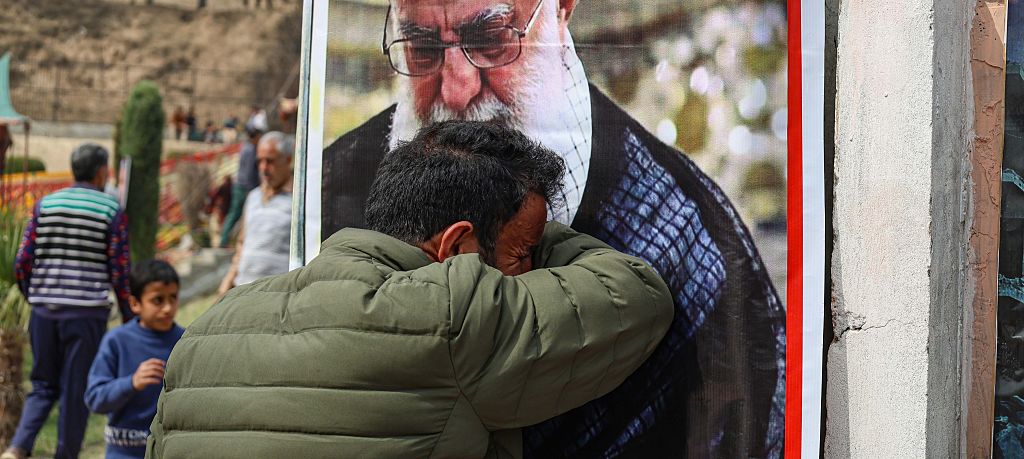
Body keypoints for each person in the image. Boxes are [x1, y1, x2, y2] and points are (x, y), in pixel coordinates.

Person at [321, 0, 786, 457]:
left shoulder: (693, 252)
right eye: (422, 47)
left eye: (489, 38)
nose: (455, 86)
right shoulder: (331, 188)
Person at [147, 121, 673, 457]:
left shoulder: (204, 333)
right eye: (523, 253)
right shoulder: (452, 314)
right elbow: (637, 292)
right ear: (456, 247)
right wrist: (532, 225)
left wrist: (507, 222)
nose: (529, 270)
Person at [3, 144, 131, 459]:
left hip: (44, 312)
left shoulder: (46, 204)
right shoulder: (110, 209)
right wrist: (130, 316)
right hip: (85, 315)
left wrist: (35, 295)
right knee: (75, 392)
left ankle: (17, 449)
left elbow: (22, 262)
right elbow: (119, 268)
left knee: (43, 385)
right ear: (102, 171)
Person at [85, 260, 184, 459]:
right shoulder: (117, 341)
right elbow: (95, 399)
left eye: (173, 298)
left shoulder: (185, 341)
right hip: (123, 452)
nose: (167, 308)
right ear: (134, 304)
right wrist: (131, 383)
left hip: (170, 451)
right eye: (158, 300)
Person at [217, 131, 293, 294]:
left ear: (287, 160)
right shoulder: (253, 197)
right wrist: (228, 280)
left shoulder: (299, 201)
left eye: (270, 161)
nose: (264, 168)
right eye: (260, 161)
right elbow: (242, 243)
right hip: (243, 290)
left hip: (277, 295)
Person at [218, 125, 262, 247]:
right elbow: (249, 172)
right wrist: (251, 190)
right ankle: (225, 240)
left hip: (240, 186)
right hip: (244, 188)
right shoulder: (250, 150)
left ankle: (225, 240)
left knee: (234, 214)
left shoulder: (246, 147)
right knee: (239, 215)